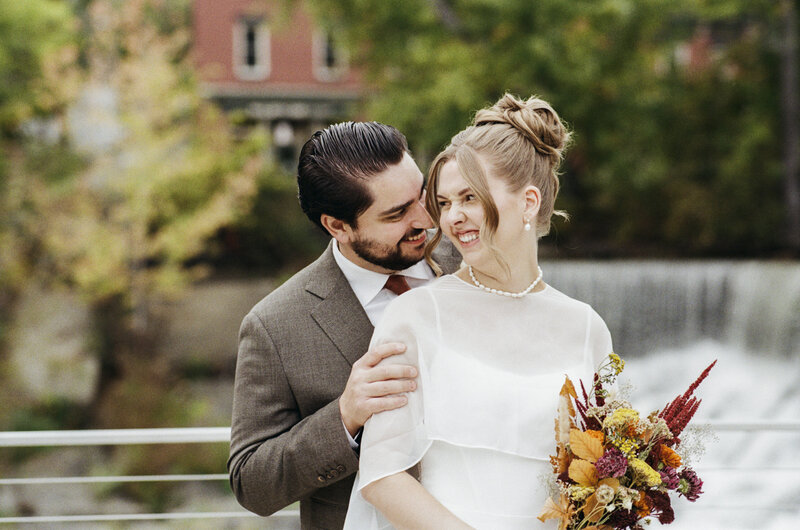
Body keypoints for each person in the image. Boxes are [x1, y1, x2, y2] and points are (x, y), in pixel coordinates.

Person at [343, 94, 614, 529]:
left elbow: (606, 472)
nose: (453, 218)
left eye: (469, 197)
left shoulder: (586, 328)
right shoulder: (415, 316)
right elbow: (382, 476)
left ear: (528, 202)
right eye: (445, 202)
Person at [228, 121, 463, 529]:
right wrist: (343, 417)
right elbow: (252, 482)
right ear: (337, 226)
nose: (426, 218)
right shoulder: (274, 325)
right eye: (397, 214)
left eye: (421, 194)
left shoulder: (471, 257)